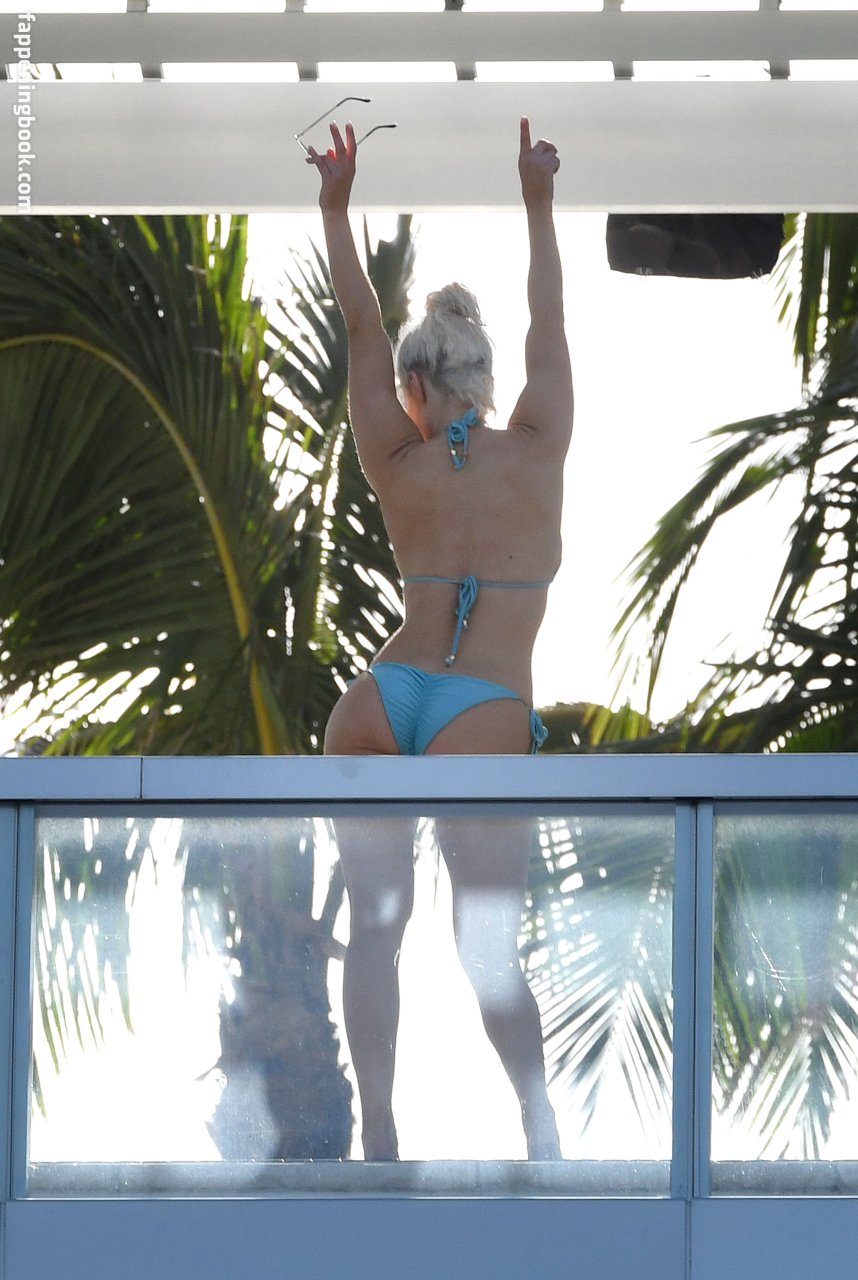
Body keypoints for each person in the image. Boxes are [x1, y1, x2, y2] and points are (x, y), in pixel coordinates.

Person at [307, 118, 573, 1161]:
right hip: (483, 708)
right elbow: (550, 316)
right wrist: (538, 199)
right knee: (485, 945)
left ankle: (378, 1127)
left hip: (385, 696)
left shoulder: (398, 459)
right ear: (484, 379)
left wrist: (335, 207)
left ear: (415, 389)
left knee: (377, 931)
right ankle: (538, 1124)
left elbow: (359, 326)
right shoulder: (538, 444)